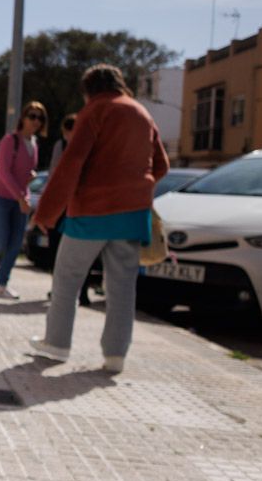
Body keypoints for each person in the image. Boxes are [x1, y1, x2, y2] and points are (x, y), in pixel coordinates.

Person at [28, 64, 168, 372]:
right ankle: (115, 356)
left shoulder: (95, 111)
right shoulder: (141, 113)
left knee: (67, 277)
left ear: (88, 89)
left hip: (92, 210)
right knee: (121, 286)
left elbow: (71, 163)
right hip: (132, 214)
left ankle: (57, 344)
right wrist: (136, 186)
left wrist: (47, 213)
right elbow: (161, 166)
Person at [0, 101, 46, 299]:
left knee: (14, 245)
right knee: (0, 241)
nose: (36, 121)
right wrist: (20, 197)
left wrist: (29, 177)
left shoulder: (34, 144)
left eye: (40, 118)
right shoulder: (9, 140)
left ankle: (1, 286)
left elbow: (22, 170)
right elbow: (3, 172)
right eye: (32, 116)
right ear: (23, 117)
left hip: (21, 198)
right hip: (2, 198)